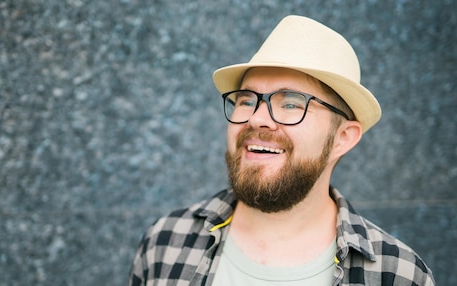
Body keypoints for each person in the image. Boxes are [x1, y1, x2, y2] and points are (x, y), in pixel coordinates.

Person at [128, 15, 435, 286]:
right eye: (247, 100)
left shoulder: (397, 274)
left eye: (291, 104)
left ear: (342, 138)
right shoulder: (165, 243)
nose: (257, 118)